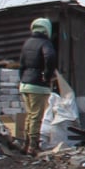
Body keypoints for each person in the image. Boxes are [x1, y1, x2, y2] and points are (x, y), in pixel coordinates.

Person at [18, 17, 58, 155]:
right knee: (36, 116)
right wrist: (47, 75)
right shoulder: (45, 43)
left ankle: (26, 143)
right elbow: (50, 57)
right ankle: (33, 146)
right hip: (37, 85)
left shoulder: (27, 43)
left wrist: (22, 79)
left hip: (25, 84)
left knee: (30, 115)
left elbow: (21, 64)